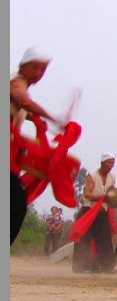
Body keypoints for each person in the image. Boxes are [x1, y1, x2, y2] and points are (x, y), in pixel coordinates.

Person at [10, 47, 56, 244]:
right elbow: (22, 100)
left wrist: (32, 118)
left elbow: (18, 106)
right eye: (34, 67)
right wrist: (53, 117)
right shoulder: (17, 81)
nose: (38, 74)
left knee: (15, 201)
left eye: (42, 70)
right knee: (15, 203)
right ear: (23, 66)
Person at [72, 153, 117, 273]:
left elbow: (112, 193)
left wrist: (111, 199)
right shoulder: (92, 176)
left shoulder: (112, 177)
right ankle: (81, 266)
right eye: (109, 162)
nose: (111, 165)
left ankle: (107, 266)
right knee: (84, 238)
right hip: (89, 211)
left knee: (104, 238)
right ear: (102, 163)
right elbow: (87, 194)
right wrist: (102, 197)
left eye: (113, 163)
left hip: (102, 211)